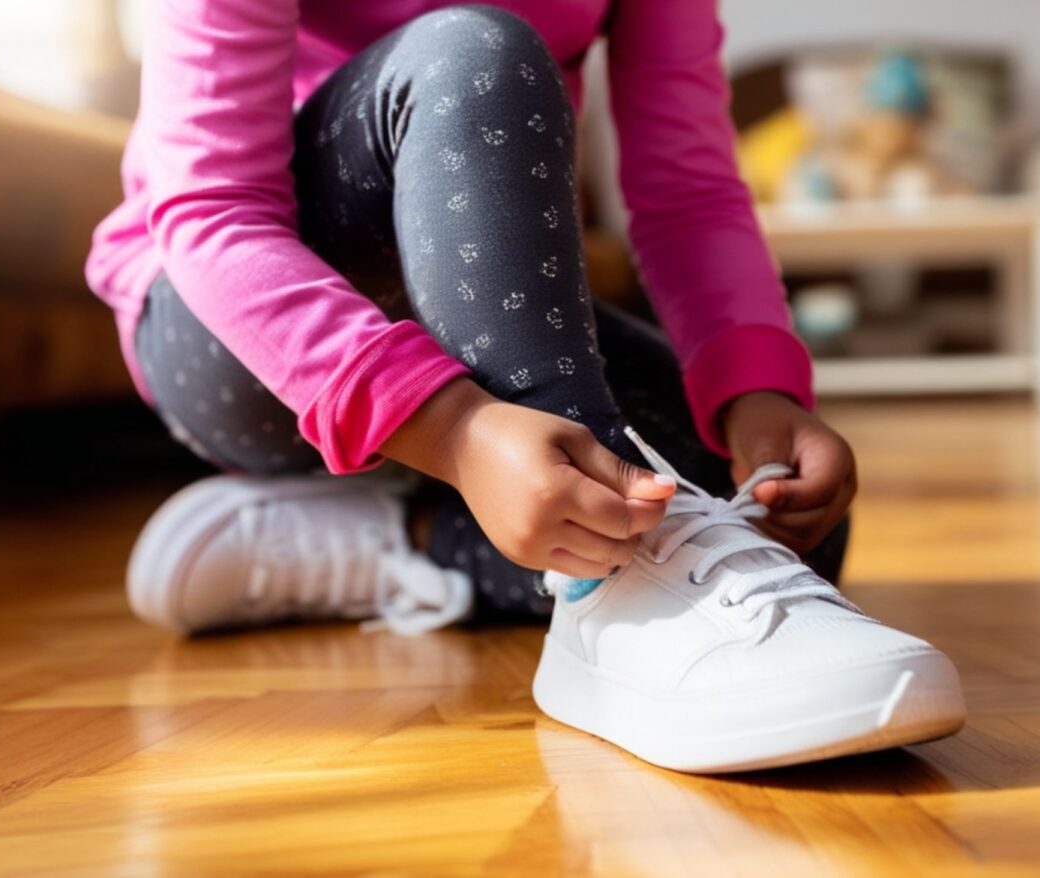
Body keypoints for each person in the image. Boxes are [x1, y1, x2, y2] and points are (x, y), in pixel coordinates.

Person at [88, 2, 965, 772]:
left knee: (788, 522)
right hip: (232, 336)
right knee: (476, 54)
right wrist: (457, 431)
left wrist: (757, 395)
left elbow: (685, 190)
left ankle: (408, 543)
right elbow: (214, 212)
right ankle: (599, 596)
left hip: (479, 305)